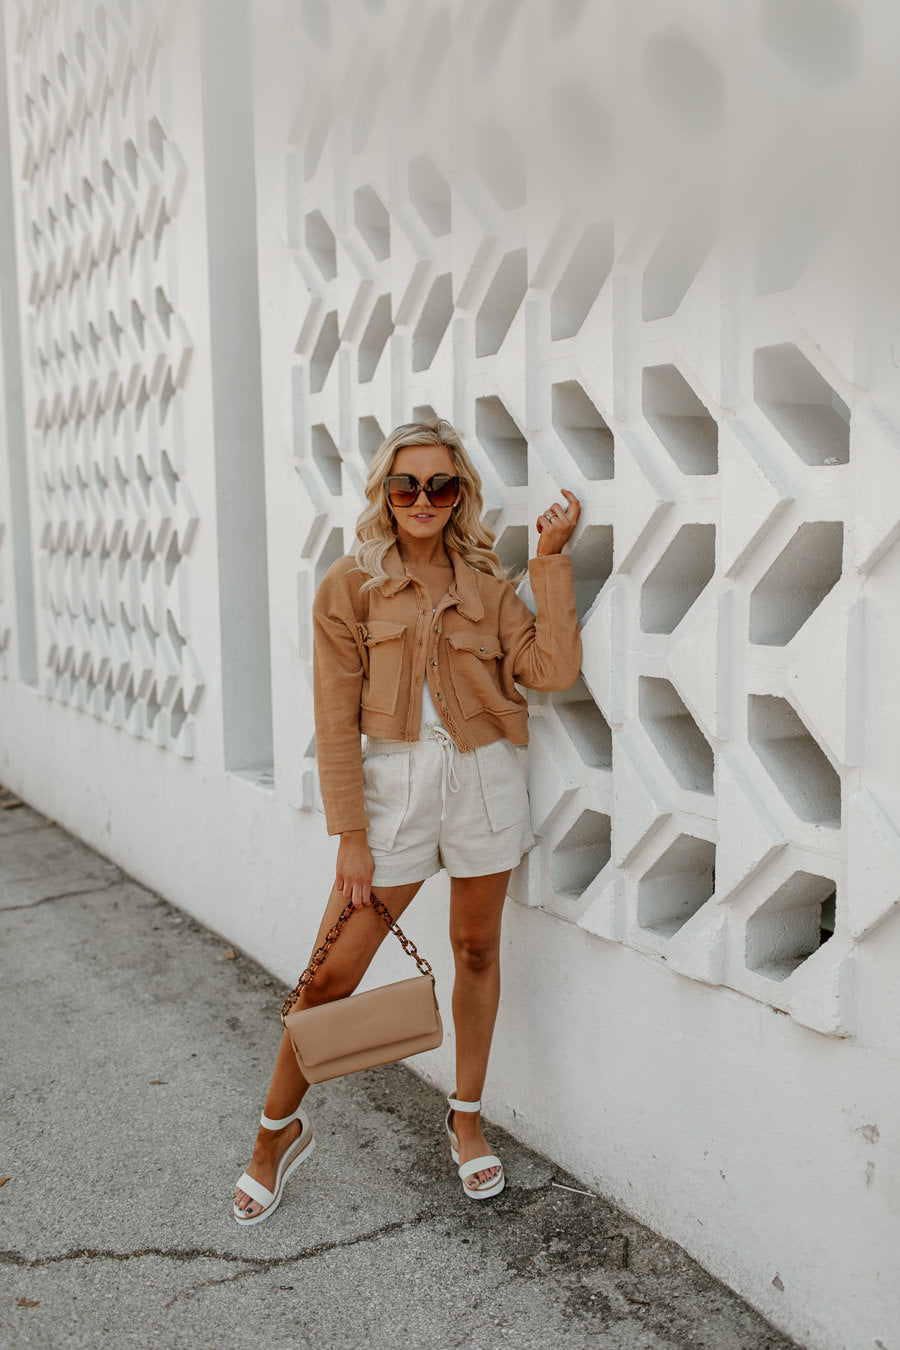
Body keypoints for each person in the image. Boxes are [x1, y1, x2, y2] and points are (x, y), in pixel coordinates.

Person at [233, 418, 582, 1224]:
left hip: (486, 781)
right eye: (406, 484)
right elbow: (334, 719)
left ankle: (466, 1118)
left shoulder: (488, 587)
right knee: (329, 976)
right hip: (393, 791)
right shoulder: (348, 586)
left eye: (440, 484)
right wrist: (351, 836)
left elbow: (551, 669)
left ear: (459, 495)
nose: (423, 498)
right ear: (385, 493)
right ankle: (273, 1134)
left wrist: (550, 562)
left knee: (476, 950)